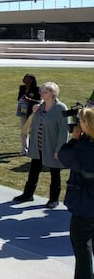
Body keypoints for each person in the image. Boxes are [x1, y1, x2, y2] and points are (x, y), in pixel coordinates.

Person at [13, 81, 69, 208]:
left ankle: (53, 199)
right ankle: (28, 194)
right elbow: (31, 125)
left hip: (52, 147)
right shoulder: (40, 106)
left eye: (45, 91)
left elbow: (63, 131)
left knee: (55, 173)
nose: (41, 93)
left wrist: (58, 149)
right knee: (33, 171)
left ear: (52, 93)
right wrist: (34, 112)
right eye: (41, 91)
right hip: (37, 146)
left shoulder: (61, 108)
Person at [59, 108, 94, 279]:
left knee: (81, 245)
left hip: (85, 205)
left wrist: (73, 139)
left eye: (81, 122)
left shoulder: (82, 147)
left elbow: (64, 156)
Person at [17, 73, 41, 155]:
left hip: (32, 112)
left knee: (32, 130)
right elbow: (18, 98)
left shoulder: (36, 89)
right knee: (24, 130)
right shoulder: (22, 88)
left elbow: (39, 101)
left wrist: (29, 100)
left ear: (31, 80)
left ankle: (33, 148)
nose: (24, 79)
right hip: (23, 111)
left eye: (26, 78)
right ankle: (24, 149)